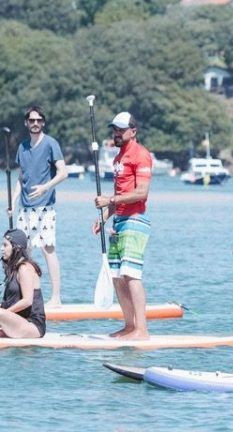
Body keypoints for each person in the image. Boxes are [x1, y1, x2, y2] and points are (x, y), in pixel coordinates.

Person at [93, 112, 153, 340]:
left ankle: (142, 330)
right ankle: (129, 326)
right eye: (114, 129)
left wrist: (110, 200)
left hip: (135, 221)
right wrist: (104, 218)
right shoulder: (118, 159)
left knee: (131, 275)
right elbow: (119, 195)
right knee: (117, 277)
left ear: (133, 131)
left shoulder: (141, 155)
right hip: (119, 221)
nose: (116, 133)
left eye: (121, 129)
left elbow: (141, 192)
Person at [11, 105, 67, 307]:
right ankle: (29, 298)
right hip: (25, 208)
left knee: (47, 250)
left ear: (43, 123)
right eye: (32, 120)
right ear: (26, 123)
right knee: (24, 253)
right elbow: (21, 178)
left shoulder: (51, 144)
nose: (35, 124)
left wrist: (45, 187)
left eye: (39, 120)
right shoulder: (22, 147)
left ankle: (56, 298)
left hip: (44, 206)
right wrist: (13, 199)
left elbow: (63, 173)